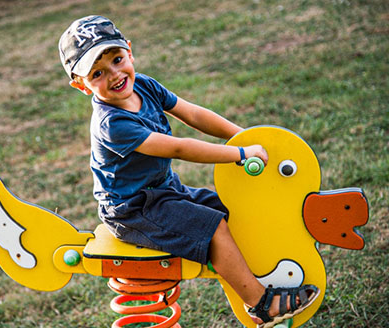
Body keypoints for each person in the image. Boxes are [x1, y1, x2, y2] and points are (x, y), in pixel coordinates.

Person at [58, 15, 319, 327]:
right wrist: (238, 153)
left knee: (232, 212)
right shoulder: (112, 124)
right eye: (97, 73)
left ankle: (265, 279)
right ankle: (261, 304)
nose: (114, 74)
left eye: (116, 59)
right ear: (80, 84)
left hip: (165, 190)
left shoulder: (145, 86)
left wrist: (248, 137)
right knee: (213, 227)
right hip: (132, 210)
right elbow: (179, 147)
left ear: (129, 51)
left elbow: (192, 113)